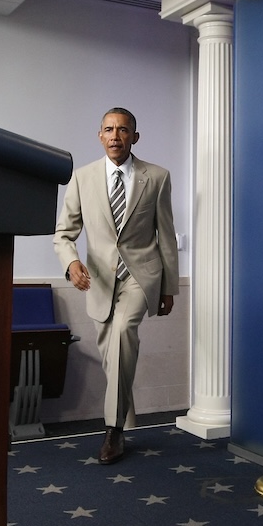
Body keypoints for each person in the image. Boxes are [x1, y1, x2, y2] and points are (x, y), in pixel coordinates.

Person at [54, 107, 179, 464]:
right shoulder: (82, 178)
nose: (115, 136)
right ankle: (124, 416)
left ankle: (114, 432)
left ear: (134, 137)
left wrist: (169, 286)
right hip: (97, 280)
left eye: (123, 130)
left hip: (142, 275)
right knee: (114, 355)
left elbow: (166, 236)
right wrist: (71, 263)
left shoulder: (157, 177)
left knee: (124, 332)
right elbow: (64, 234)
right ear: (99, 135)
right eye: (108, 129)